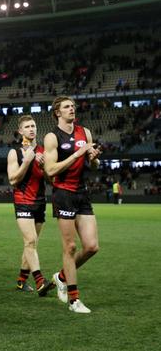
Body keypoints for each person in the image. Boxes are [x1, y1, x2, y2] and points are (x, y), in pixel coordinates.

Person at [43, 96, 101, 314]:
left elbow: (93, 165)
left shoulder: (84, 132)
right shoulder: (52, 137)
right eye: (67, 107)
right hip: (63, 193)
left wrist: (93, 158)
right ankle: (74, 299)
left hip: (82, 193)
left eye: (73, 106)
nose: (72, 109)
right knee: (70, 247)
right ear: (57, 112)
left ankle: (61, 276)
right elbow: (50, 170)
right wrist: (77, 154)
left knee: (92, 246)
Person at [7, 115, 54, 295]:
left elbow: (52, 180)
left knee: (31, 245)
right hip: (23, 201)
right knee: (30, 241)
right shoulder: (15, 153)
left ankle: (21, 280)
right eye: (27, 127)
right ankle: (40, 282)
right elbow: (13, 179)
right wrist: (27, 161)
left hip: (40, 203)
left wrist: (43, 167)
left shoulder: (44, 151)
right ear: (21, 131)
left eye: (33, 126)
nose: (31, 129)